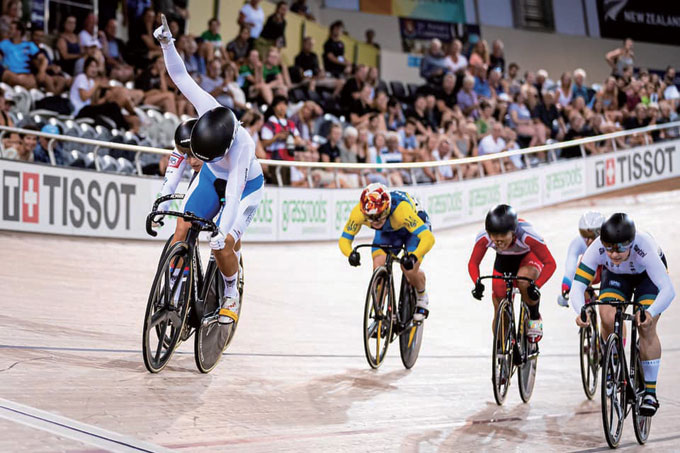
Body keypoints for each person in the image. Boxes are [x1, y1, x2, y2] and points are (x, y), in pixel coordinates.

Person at [155, 14, 264, 325]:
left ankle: (231, 291)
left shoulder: (243, 145)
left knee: (223, 244)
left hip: (245, 188)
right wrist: (168, 43)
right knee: (183, 228)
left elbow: (232, 195)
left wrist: (221, 235)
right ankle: (176, 288)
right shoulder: (208, 107)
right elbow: (180, 77)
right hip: (211, 178)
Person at [571, 213, 674, 416]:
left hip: (647, 278)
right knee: (607, 314)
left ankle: (650, 394)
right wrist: (580, 310)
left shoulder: (645, 247)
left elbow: (668, 290)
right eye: (609, 248)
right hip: (617, 276)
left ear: (631, 242)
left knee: (646, 326)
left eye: (620, 248)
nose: (614, 254)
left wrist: (650, 313)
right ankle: (615, 363)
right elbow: (578, 285)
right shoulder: (597, 249)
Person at [340, 184, 435, 322]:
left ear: (386, 209)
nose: (374, 221)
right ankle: (380, 311)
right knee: (378, 266)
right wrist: (350, 253)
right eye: (370, 217)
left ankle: (422, 296)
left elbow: (428, 238)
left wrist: (414, 256)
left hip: (413, 229)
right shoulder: (359, 213)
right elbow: (344, 239)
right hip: (389, 231)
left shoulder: (401, 211)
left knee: (408, 269)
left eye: (378, 216)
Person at [469, 205, 556, 343]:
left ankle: (534, 316)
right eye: (494, 235)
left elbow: (550, 263)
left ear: (513, 232)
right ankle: (504, 347)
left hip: (528, 257)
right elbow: (473, 263)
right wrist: (477, 282)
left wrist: (536, 286)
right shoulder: (484, 237)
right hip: (504, 261)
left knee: (524, 282)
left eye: (503, 235)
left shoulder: (527, 235)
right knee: (499, 306)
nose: (498, 240)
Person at [557, 212, 605, 308]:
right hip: (592, 268)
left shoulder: (610, 240)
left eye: (593, 236)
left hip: (606, 268)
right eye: (585, 235)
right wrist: (565, 289)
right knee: (581, 275)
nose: (589, 241)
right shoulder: (577, 242)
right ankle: (588, 306)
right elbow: (570, 268)